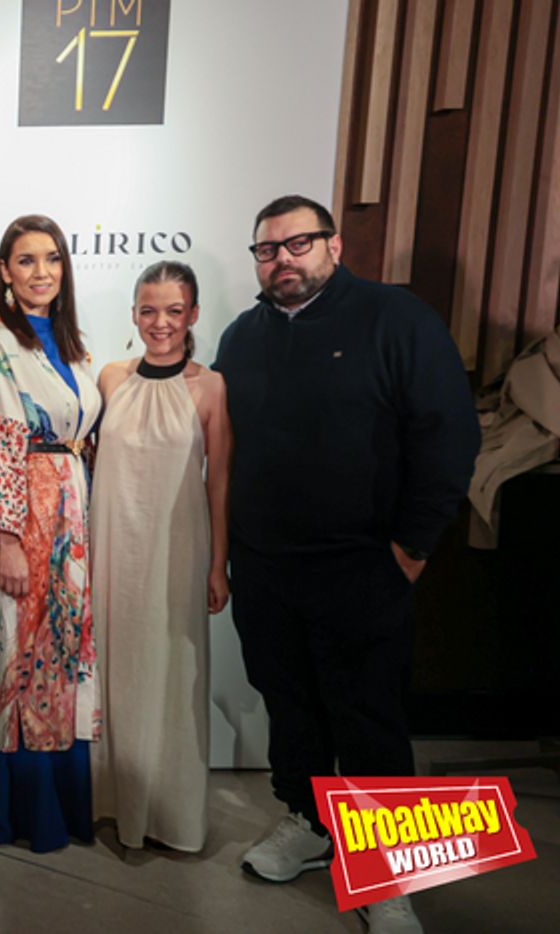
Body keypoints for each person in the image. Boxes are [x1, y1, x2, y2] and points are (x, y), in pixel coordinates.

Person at [214, 195, 479, 932]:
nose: (283, 260)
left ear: (332, 245)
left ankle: (387, 876)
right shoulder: (241, 337)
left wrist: (412, 550)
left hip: (365, 566)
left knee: (369, 719)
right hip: (268, 569)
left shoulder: (397, 320)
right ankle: (308, 820)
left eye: (298, 243)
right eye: (267, 250)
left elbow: (448, 436)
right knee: (291, 706)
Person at [0, 214, 101, 854]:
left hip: (68, 517)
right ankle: (19, 809)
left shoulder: (74, 344)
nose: (42, 273)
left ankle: (62, 807)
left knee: (60, 657)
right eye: (26, 261)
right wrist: (7, 541)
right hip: (17, 523)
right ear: (5, 273)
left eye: (52, 260)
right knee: (15, 656)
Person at [89, 261, 230, 853]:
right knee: (113, 669)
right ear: (134, 314)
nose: (161, 322)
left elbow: (218, 481)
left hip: (177, 549)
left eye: (174, 310)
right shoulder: (110, 378)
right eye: (149, 310)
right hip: (112, 546)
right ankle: (113, 804)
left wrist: (218, 565)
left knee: (173, 672)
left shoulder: (210, 386)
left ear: (193, 315)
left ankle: (171, 816)